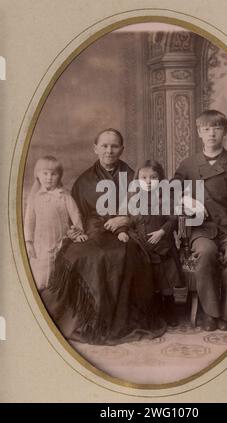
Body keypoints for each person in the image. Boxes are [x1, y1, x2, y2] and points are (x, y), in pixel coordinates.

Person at [49, 129, 165, 344]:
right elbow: (75, 215)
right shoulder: (83, 181)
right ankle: (87, 319)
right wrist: (76, 231)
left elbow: (149, 208)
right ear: (95, 148)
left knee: (123, 255)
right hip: (92, 231)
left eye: (114, 146)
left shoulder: (134, 176)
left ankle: (116, 321)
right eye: (104, 146)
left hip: (126, 233)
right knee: (78, 256)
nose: (109, 151)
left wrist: (127, 219)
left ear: (122, 149)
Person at [173, 110, 227, 331]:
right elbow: (172, 194)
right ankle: (210, 312)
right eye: (206, 129)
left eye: (217, 128)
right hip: (201, 229)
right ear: (199, 133)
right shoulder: (188, 165)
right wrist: (183, 202)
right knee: (205, 252)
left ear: (225, 132)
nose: (211, 133)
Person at [117, 160, 185, 326]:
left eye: (153, 177)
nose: (148, 181)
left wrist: (162, 232)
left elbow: (173, 219)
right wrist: (122, 232)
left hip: (163, 245)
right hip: (142, 246)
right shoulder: (132, 197)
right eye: (144, 177)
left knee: (165, 280)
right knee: (149, 280)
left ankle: (169, 308)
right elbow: (123, 219)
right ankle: (153, 311)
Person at [24, 156, 88, 291]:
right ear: (38, 175)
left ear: (59, 176)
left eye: (54, 174)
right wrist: (28, 242)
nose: (49, 177)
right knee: (41, 267)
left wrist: (78, 232)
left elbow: (75, 214)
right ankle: (41, 293)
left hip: (61, 238)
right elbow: (29, 221)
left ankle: (57, 294)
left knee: (60, 266)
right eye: (45, 173)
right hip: (41, 241)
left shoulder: (64, 195)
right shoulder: (34, 198)